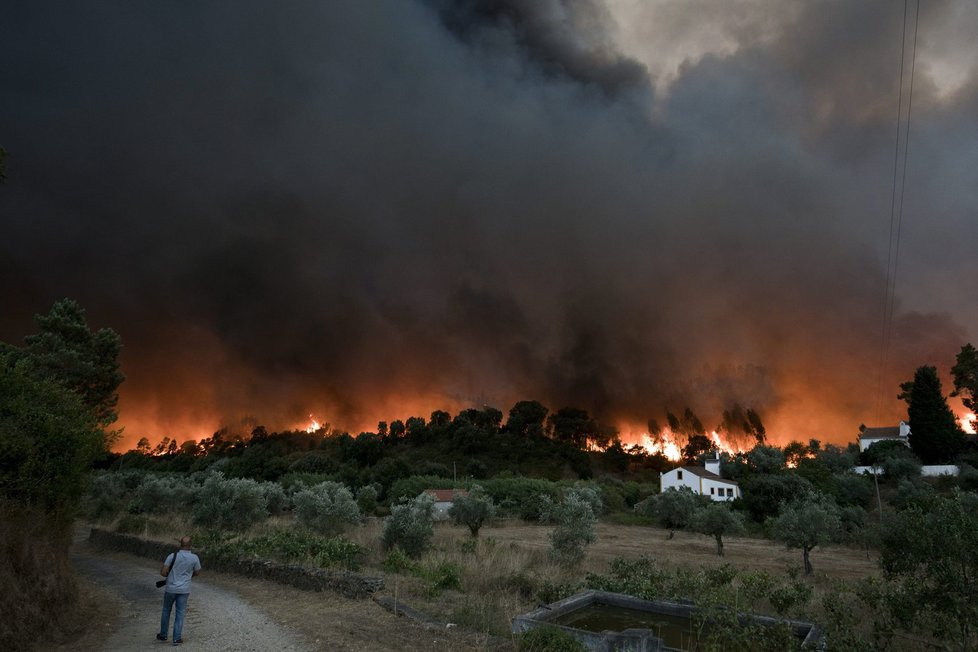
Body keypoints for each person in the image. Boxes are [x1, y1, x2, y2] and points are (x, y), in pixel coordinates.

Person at [157, 536, 201, 646]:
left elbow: (163, 572)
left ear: (180, 544)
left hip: (170, 588)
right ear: (190, 545)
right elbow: (197, 572)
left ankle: (163, 634)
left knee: (166, 610)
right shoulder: (194, 558)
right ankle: (176, 639)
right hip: (184, 589)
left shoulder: (172, 556)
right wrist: (188, 576)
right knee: (180, 613)